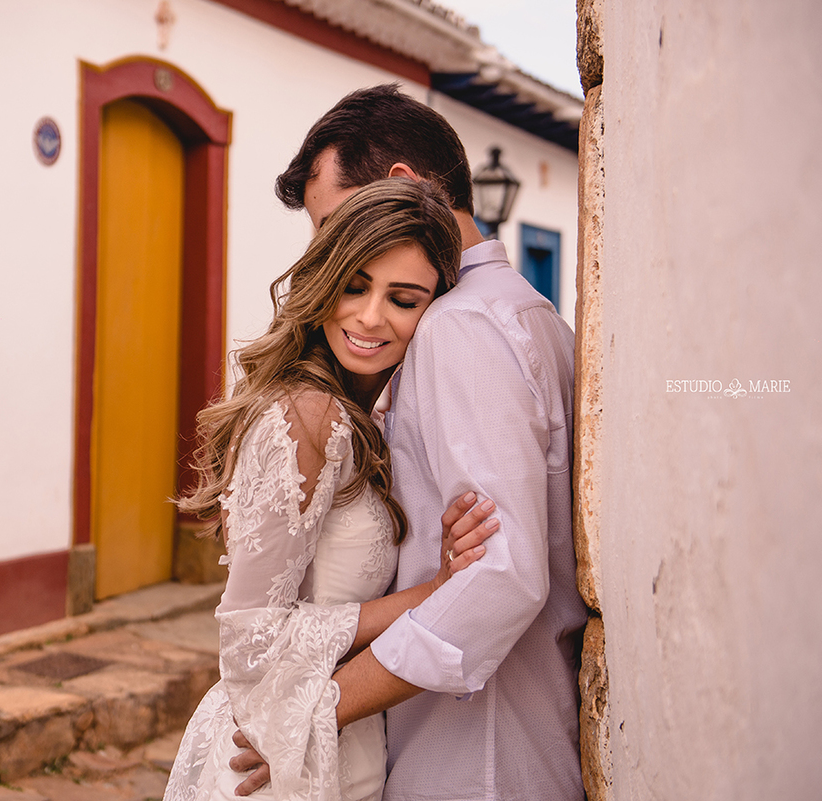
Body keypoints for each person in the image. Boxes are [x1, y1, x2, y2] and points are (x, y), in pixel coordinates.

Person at [231, 84, 588, 799]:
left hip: (472, 755)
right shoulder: (530, 312)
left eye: (332, 221)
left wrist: (320, 707)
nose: (321, 252)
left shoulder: (459, 326)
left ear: (403, 188)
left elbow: (502, 575)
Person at [164, 179, 499, 801]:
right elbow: (250, 639)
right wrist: (436, 591)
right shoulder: (310, 416)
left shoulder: (367, 417)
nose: (371, 317)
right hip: (270, 757)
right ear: (324, 286)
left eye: (403, 299)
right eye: (354, 286)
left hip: (340, 740)